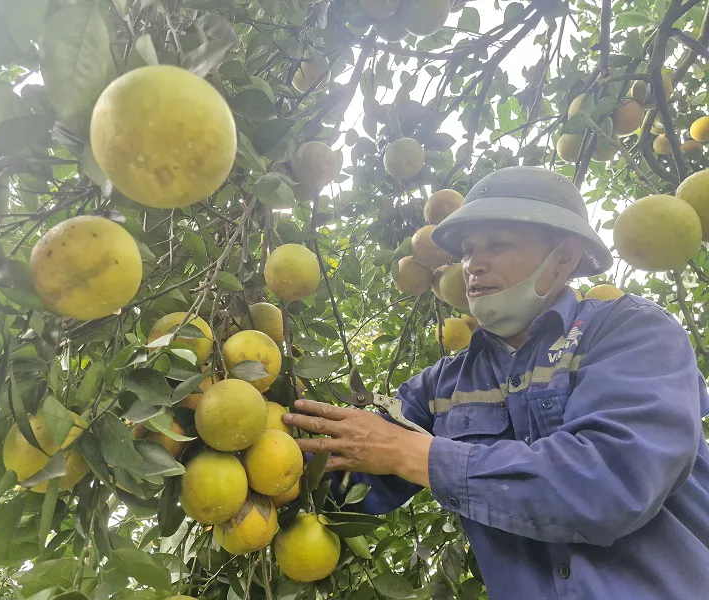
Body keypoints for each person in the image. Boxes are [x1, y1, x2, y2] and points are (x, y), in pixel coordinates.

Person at [282, 166, 709, 599]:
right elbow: (346, 471)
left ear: (564, 257)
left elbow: (612, 482)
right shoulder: (443, 386)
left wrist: (412, 453)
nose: (474, 265)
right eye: (468, 251)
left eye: (498, 246)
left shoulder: (632, 332)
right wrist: (270, 441)